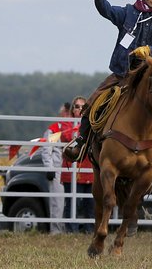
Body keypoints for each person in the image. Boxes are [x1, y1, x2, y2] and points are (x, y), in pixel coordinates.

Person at [63, 0, 152, 177]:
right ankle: (81, 141)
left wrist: (150, 50)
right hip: (122, 73)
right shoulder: (129, 13)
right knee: (93, 102)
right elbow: (106, 11)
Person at [61, 96, 94, 234]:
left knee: (90, 203)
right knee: (73, 202)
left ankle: (89, 229)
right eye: (77, 106)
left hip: (89, 169)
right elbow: (66, 137)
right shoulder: (66, 124)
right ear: (72, 109)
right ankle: (71, 229)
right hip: (72, 171)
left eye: (83, 107)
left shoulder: (92, 124)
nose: (80, 109)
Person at [41, 102, 72, 234]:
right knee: (58, 201)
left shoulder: (76, 128)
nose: (65, 115)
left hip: (72, 168)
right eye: (65, 112)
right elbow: (47, 149)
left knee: (72, 200)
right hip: (58, 168)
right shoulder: (56, 130)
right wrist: (50, 168)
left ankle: (71, 227)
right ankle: (56, 230)